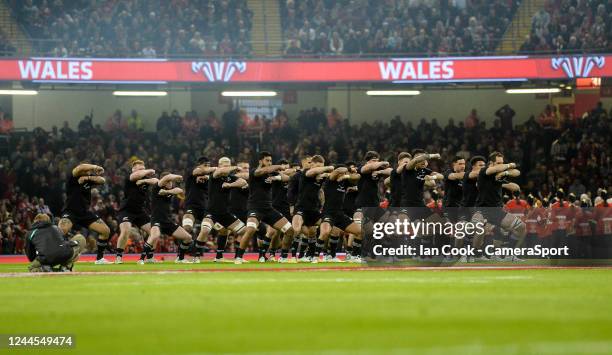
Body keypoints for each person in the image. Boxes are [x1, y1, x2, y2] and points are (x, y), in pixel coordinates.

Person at [234, 151, 294, 264]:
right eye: (267, 160)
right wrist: (279, 167)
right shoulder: (254, 172)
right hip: (255, 208)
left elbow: (287, 178)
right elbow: (263, 170)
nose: (269, 162)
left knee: (290, 230)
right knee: (251, 229)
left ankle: (284, 257)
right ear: (260, 161)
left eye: (271, 160)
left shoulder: (271, 174)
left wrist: (277, 178)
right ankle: (239, 257)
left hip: (268, 209)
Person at [193, 157, 247, 263]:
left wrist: (230, 185)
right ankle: (196, 257)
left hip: (225, 214)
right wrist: (236, 167)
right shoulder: (215, 174)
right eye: (225, 165)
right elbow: (221, 171)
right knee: (205, 230)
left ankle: (224, 257)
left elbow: (243, 182)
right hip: (211, 213)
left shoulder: (230, 178)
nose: (227, 167)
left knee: (245, 232)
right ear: (219, 165)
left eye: (228, 165)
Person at [473, 152, 526, 259]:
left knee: (521, 227)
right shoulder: (484, 171)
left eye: (502, 163)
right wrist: (509, 165)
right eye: (498, 163)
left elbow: (517, 173)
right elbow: (493, 170)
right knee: (480, 228)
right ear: (491, 163)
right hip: (483, 211)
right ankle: (476, 254)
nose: (501, 165)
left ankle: (509, 255)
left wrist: (504, 174)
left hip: (497, 212)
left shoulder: (499, 175)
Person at [60, 163, 111, 264]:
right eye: (87, 170)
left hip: (84, 213)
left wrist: (88, 177)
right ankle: (55, 254)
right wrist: (95, 167)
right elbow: (80, 167)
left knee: (105, 230)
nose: (89, 171)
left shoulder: (88, 179)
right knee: (62, 230)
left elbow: (102, 180)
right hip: (71, 211)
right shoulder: (73, 178)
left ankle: (100, 259)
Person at [139, 172, 194, 264]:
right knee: (155, 236)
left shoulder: (169, 190)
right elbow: (168, 177)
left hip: (167, 222)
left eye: (171, 182)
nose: (170, 183)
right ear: (163, 181)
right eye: (168, 181)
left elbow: (179, 190)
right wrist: (177, 176)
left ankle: (180, 259)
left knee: (188, 237)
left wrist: (167, 192)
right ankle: (141, 259)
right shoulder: (156, 188)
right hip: (156, 220)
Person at [315, 165, 361, 263]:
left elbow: (358, 176)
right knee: (325, 233)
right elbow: (339, 170)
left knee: (360, 231)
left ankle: (354, 256)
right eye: (342, 173)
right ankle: (316, 256)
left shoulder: (345, 182)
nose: (343, 174)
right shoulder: (330, 180)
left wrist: (347, 176)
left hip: (339, 214)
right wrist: (347, 170)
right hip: (328, 213)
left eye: (345, 173)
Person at [115, 160, 157, 264]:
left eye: (143, 169)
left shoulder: (145, 179)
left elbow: (156, 181)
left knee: (154, 231)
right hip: (126, 210)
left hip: (139, 211)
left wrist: (144, 181)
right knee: (126, 231)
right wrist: (148, 171)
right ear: (133, 170)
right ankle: (118, 257)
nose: (143, 171)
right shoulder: (130, 178)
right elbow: (136, 176)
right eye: (140, 169)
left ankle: (150, 257)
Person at [292, 155, 332, 262]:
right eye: (318, 166)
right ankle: (291, 256)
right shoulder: (306, 172)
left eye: (321, 166)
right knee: (296, 229)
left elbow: (321, 191)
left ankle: (311, 255)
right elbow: (312, 173)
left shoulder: (320, 176)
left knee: (322, 230)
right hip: (302, 208)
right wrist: (328, 168)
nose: (319, 169)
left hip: (314, 209)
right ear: (312, 165)